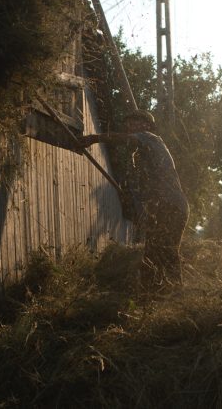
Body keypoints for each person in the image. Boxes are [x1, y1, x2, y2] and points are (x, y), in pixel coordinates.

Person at [74, 109, 189, 289]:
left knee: (166, 251)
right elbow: (141, 192)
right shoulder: (139, 158)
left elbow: (124, 139)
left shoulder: (151, 138)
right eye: (127, 123)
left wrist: (94, 138)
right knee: (152, 255)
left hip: (170, 206)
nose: (128, 126)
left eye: (133, 122)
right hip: (161, 209)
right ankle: (156, 295)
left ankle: (175, 292)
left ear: (147, 125)